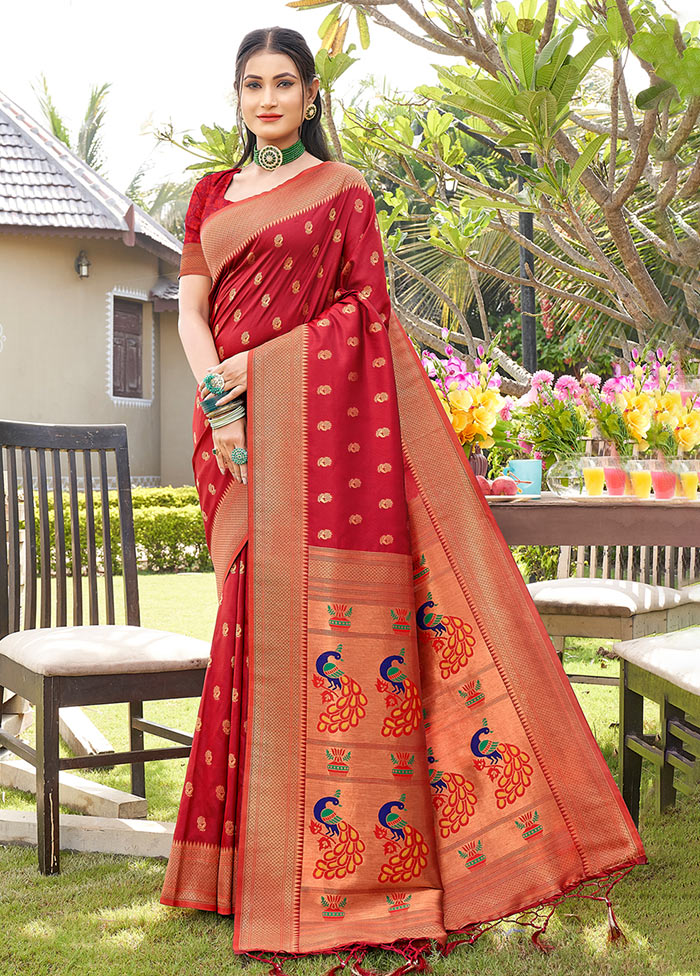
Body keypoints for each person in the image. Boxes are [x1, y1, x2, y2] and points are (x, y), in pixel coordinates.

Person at [160, 25, 645, 974]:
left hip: (311, 434)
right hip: (231, 427)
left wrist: (260, 366)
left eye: (285, 84)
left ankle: (335, 868)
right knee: (242, 628)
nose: (268, 99)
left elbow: (364, 313)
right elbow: (188, 305)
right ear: (238, 95)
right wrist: (219, 391)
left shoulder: (341, 192)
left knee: (295, 630)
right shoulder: (210, 195)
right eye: (253, 84)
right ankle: (233, 868)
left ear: (310, 97)